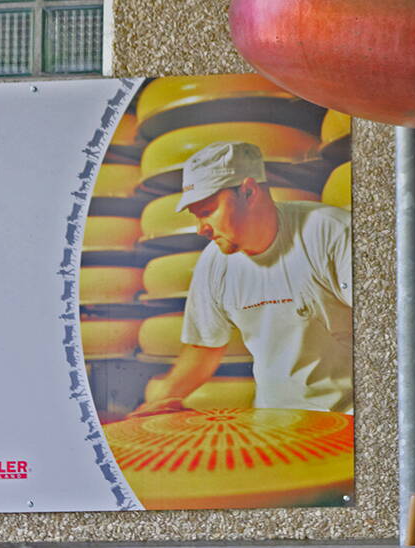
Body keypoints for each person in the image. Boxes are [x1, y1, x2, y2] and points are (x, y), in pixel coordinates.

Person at [132, 140, 352, 415]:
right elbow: (204, 348)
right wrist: (159, 400)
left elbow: (389, 331)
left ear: (248, 191)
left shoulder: (331, 234)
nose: (201, 229)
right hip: (275, 423)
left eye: (206, 212)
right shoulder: (215, 263)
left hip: (348, 424)